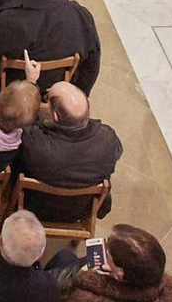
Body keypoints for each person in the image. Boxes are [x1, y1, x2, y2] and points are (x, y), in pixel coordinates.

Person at [0, 0, 102, 90]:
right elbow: (92, 64)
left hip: (15, 89)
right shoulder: (81, 16)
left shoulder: (5, 20)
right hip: (58, 88)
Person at [18, 81, 122, 213]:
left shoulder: (35, 142)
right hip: (82, 210)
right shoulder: (108, 140)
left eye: (46, 99)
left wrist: (31, 86)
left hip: (35, 207)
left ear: (55, 115)